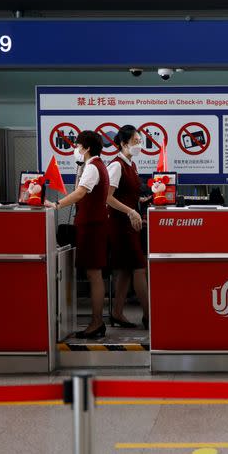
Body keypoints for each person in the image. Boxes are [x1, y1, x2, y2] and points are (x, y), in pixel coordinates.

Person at [46, 131, 109, 339]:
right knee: (94, 274)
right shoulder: (96, 165)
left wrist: (57, 204)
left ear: (87, 148)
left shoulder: (92, 167)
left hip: (92, 227)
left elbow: (81, 193)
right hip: (92, 225)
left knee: (94, 274)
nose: (76, 149)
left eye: (77, 145)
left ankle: (97, 322)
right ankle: (96, 321)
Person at [107, 125, 149, 330]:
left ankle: (117, 312)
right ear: (123, 144)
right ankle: (149, 315)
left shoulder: (131, 165)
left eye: (140, 141)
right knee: (140, 268)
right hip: (120, 224)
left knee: (125, 271)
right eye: (135, 141)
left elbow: (127, 193)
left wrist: (140, 200)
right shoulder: (116, 166)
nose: (139, 144)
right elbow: (107, 197)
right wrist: (131, 211)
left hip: (131, 223)